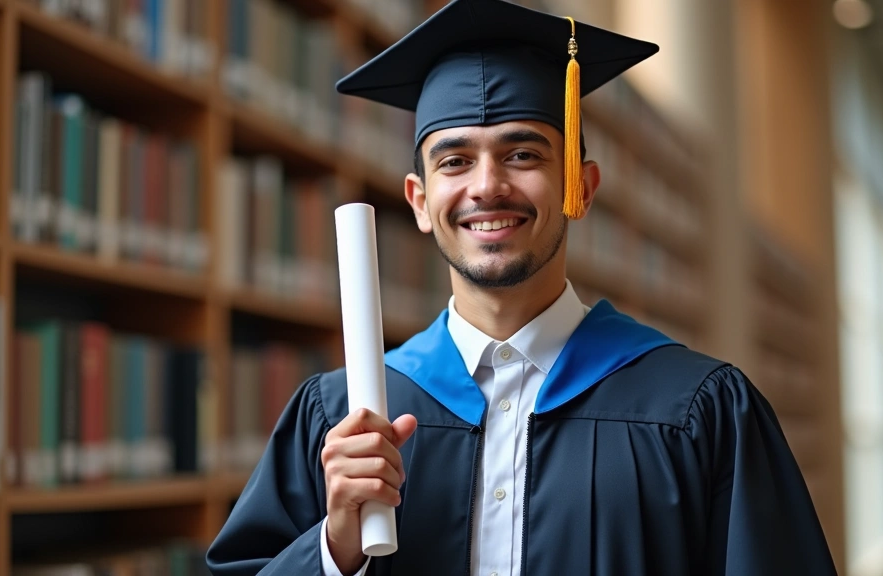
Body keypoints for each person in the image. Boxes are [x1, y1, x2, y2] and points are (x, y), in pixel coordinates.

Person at [206, 0, 838, 574]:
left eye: (523, 155)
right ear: (421, 202)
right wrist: (334, 547)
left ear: (582, 187)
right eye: (454, 161)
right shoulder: (341, 418)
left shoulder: (697, 409)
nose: (486, 186)